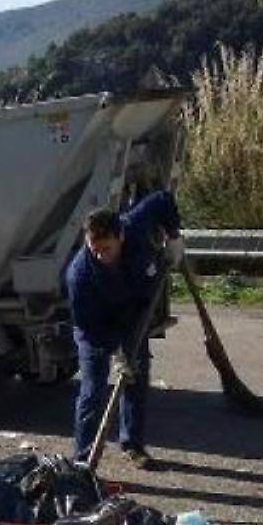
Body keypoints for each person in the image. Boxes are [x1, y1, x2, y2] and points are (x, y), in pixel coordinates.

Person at [66, 190, 184, 468]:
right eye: (94, 249)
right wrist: (118, 353)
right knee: (93, 390)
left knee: (136, 379)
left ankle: (132, 443)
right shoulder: (79, 276)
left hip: (132, 318)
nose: (100, 255)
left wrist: (174, 236)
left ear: (120, 236)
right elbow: (89, 326)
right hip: (95, 328)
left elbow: (162, 200)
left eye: (106, 248)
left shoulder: (133, 224)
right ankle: (83, 459)